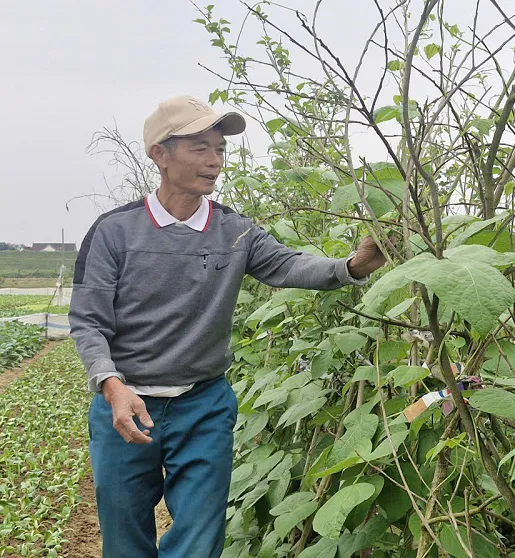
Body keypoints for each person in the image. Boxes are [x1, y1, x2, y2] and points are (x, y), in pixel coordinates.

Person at [68, 95, 386, 558]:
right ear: (160, 153)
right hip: (126, 403)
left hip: (203, 403)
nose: (215, 161)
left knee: (200, 537)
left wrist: (353, 266)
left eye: (220, 149)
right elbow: (88, 321)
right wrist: (112, 385)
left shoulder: (235, 231)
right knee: (124, 536)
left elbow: (288, 265)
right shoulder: (115, 232)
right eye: (200, 148)